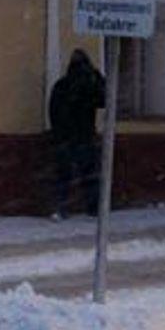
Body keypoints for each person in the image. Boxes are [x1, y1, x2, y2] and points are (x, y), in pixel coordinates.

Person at [48, 47, 105, 219]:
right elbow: (104, 99)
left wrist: (58, 134)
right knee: (89, 174)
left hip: (66, 138)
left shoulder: (62, 85)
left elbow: (53, 111)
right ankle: (93, 209)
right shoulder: (88, 85)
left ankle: (60, 208)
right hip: (83, 136)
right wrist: (97, 77)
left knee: (64, 176)